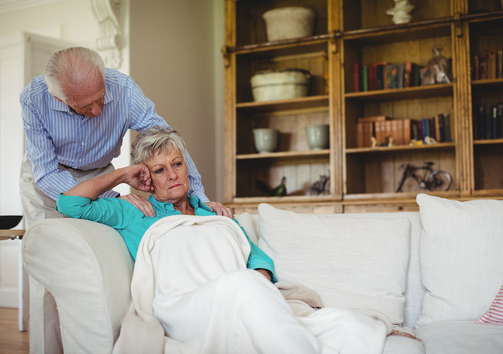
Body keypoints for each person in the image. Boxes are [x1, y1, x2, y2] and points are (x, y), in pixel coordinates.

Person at [56, 127, 389, 353]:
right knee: (243, 287)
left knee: (345, 322)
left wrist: (259, 292)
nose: (172, 175)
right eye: (159, 170)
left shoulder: (215, 214)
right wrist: (121, 176)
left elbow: (258, 260)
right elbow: (68, 203)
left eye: (177, 164)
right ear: (147, 178)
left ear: (187, 167)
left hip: (237, 298)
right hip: (183, 306)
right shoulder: (136, 212)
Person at [19, 46, 231, 228]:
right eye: (84, 106)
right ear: (59, 98)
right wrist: (113, 198)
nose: (97, 112)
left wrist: (200, 200)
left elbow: (169, 142)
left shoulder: (124, 90)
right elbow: (46, 173)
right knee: (46, 248)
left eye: (101, 98)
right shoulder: (34, 99)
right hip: (47, 179)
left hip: (98, 172)